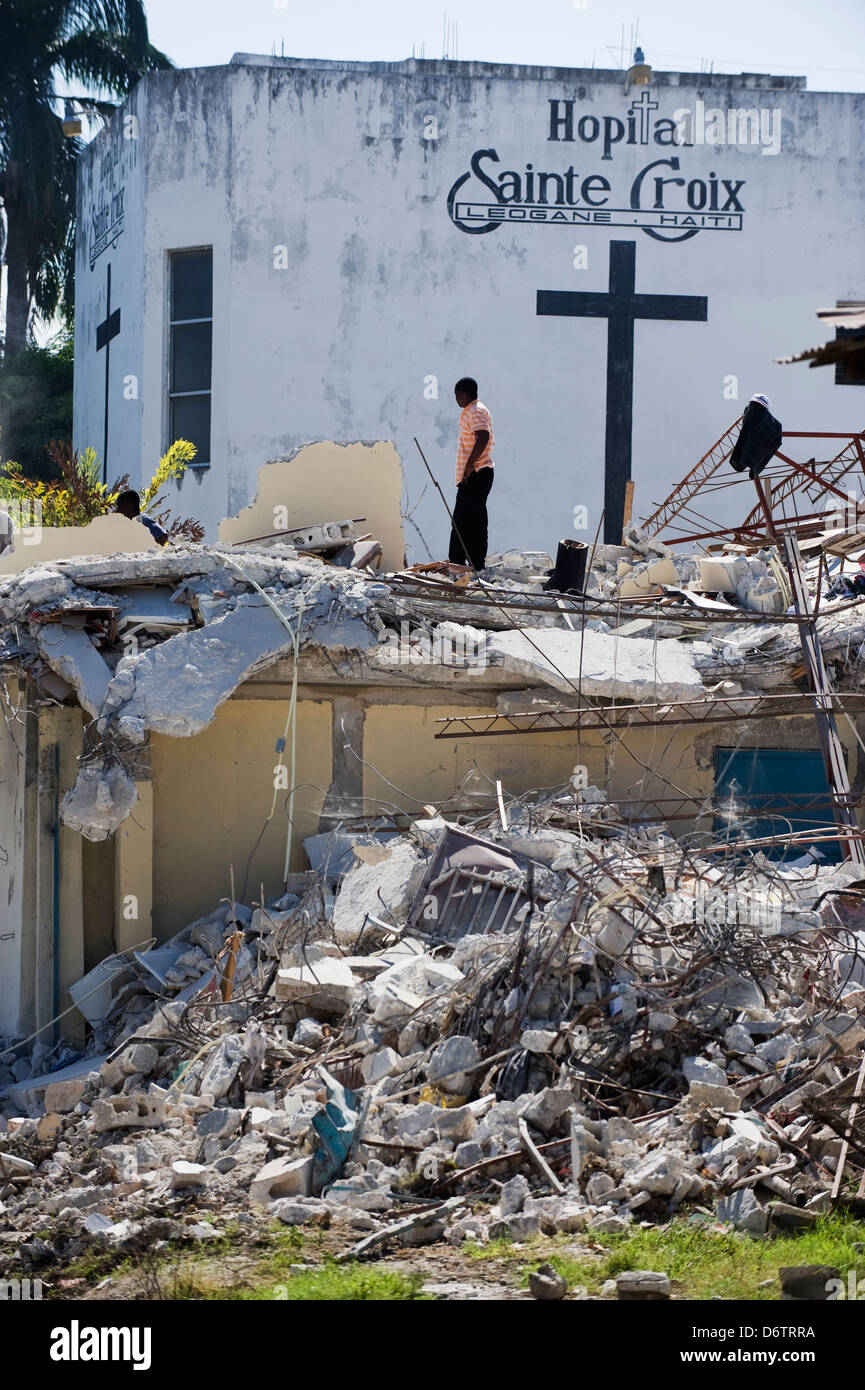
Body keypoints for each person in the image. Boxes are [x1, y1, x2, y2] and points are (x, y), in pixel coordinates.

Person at [449, 377, 494, 570]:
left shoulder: (475, 411)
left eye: (456, 394)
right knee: (472, 520)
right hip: (476, 474)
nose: (456, 399)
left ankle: (460, 563)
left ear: (463, 393)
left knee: (464, 520)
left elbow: (483, 436)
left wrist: (468, 466)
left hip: (476, 474)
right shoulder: (474, 410)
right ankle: (472, 563)